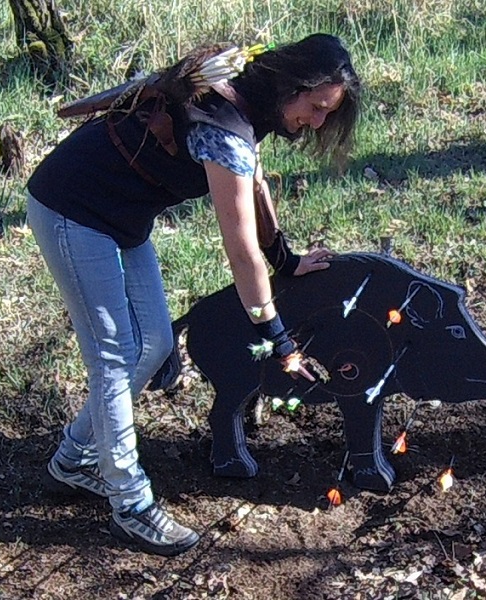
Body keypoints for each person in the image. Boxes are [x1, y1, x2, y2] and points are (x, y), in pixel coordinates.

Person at [24, 33, 361, 557]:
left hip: (123, 217)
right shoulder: (223, 125)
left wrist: (287, 259)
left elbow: (254, 181)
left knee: (155, 345)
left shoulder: (250, 94)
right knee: (115, 355)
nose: (317, 122)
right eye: (316, 107)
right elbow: (241, 251)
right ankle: (131, 504)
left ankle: (73, 459)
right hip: (73, 208)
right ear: (293, 85)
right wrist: (277, 337)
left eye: (327, 113)